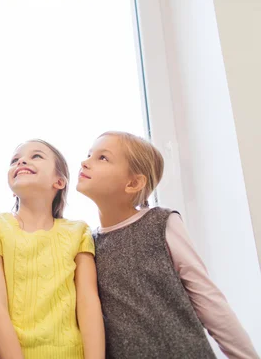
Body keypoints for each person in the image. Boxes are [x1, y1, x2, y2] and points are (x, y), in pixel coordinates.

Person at [77, 131, 258, 358]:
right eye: (89, 155)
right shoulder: (88, 245)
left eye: (102, 158)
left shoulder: (161, 223)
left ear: (133, 183)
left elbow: (207, 298)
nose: (85, 162)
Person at [0, 139, 104, 358]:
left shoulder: (79, 231)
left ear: (59, 181)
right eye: (15, 160)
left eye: (36, 156)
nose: (22, 161)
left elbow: (88, 304)